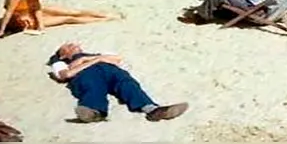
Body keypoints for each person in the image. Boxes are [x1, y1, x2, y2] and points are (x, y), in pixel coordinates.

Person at [48, 42, 188, 123]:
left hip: (110, 70)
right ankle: (95, 112)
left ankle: (152, 110)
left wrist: (88, 59)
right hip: (86, 75)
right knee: (92, 87)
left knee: (127, 83)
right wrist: (93, 60)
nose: (74, 45)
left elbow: (117, 59)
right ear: (63, 55)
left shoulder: (94, 54)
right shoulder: (60, 63)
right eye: (68, 46)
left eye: (74, 44)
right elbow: (66, 74)